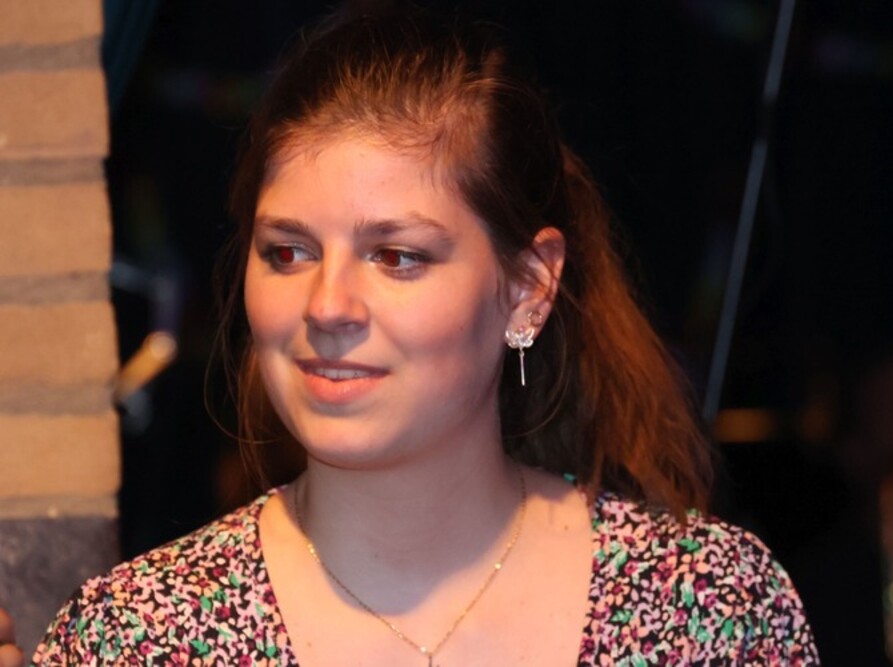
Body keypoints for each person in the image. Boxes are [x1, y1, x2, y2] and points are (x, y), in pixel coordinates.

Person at [33, 9, 818, 665]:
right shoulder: (138, 635)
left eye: (396, 256)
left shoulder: (708, 607)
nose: (327, 306)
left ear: (528, 287)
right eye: (289, 252)